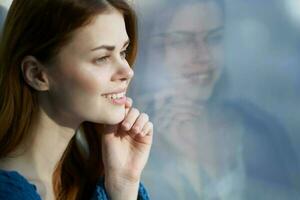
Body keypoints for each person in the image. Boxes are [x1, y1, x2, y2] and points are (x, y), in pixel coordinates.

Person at [131, 0, 300, 199]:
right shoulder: (126, 144)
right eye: (182, 41)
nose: (203, 56)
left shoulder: (259, 129)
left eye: (214, 38)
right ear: (148, 51)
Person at [0, 0, 153, 200]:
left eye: (122, 52)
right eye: (102, 58)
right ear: (37, 75)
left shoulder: (90, 183)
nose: (128, 71)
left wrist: (124, 186)